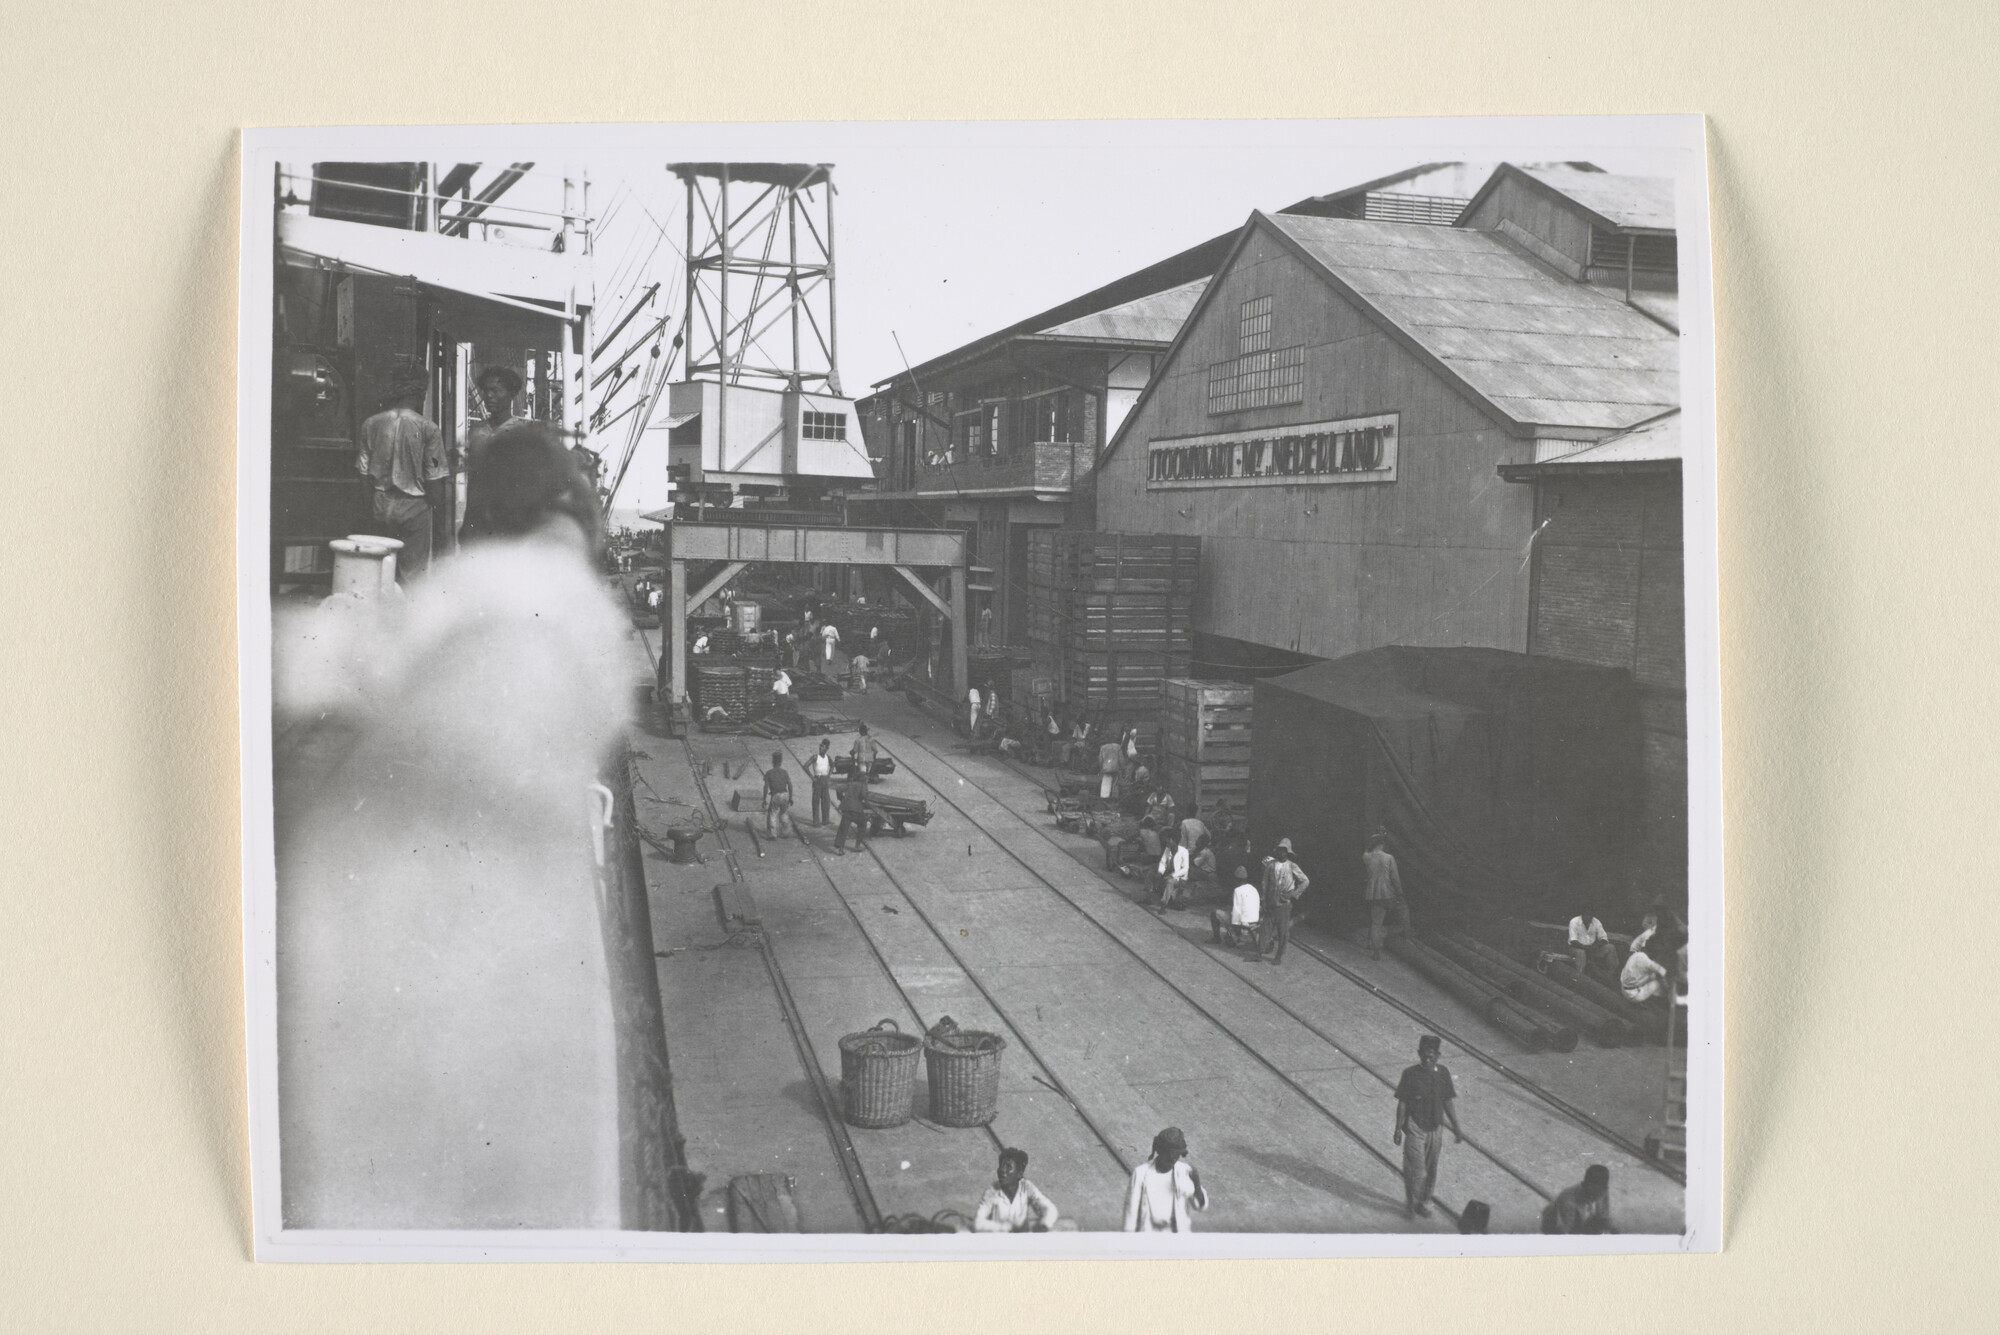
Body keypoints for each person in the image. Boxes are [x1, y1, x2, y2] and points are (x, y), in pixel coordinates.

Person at [354, 376, 448, 579]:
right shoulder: (428, 428)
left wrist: (368, 507)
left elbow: (363, 472)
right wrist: (439, 519)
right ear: (419, 395)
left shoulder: (370, 424)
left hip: (380, 503)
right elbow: (434, 478)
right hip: (414, 507)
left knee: (379, 571)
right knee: (412, 574)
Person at [1393, 1035, 1462, 1219]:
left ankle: (1423, 1202)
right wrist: (1398, 1128)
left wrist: (1456, 1127)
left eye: (1431, 1056)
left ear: (1438, 1055)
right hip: (1415, 1127)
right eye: (1424, 1055)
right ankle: (1409, 1202)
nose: (1427, 1059)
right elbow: (1402, 1104)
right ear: (1419, 1054)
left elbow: (1447, 1101)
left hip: (1435, 1129)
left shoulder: (1443, 1074)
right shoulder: (1410, 1074)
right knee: (1415, 1169)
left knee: (1431, 1169)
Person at [458, 364, 523, 544]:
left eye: (496, 390)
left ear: (511, 393)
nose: (489, 396)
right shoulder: (477, 431)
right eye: (486, 391)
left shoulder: (521, 434)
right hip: (477, 518)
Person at [1122, 1128, 1207, 1232]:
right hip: (1149, 1235)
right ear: (1159, 1151)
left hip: (1178, 1237)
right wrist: (1128, 1239)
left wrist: (1196, 1183)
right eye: (1168, 1155)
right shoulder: (1140, 1173)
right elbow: (1131, 1210)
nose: (1172, 1159)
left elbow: (1199, 1206)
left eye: (1176, 1155)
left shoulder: (1185, 1171)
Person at [972, 1148, 1059, 1233]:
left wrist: (1044, 1224)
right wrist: (1008, 1227)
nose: (1002, 1170)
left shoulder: (1027, 1187)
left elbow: (1050, 1209)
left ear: (1019, 1174)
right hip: (999, 1242)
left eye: (1008, 1167)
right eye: (1001, 1165)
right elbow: (978, 1224)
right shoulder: (992, 1191)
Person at [1259, 839, 1311, 965]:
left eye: (1284, 851)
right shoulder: (1271, 865)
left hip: (1284, 903)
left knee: (1282, 931)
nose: (1281, 853)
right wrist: (1264, 900)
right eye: (1280, 850)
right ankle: (1259, 952)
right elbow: (1265, 883)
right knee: (1265, 927)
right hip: (1271, 901)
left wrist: (1294, 894)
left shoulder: (1292, 866)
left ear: (1287, 853)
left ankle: (1279, 956)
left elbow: (1305, 881)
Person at [1363, 831, 1410, 960]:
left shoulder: (1366, 857)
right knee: (1403, 913)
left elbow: (1367, 851)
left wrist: (1371, 843)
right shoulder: (1389, 858)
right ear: (1382, 844)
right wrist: (1399, 893)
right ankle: (1402, 936)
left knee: (1375, 921)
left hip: (1372, 893)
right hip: (1388, 893)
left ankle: (1373, 948)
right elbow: (1394, 878)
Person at [1541, 1165, 1616, 1234]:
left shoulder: (1603, 1192)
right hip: (1556, 1225)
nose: (1595, 1198)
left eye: (1599, 1193)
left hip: (1582, 1220)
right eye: (1592, 1194)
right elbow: (1563, 1232)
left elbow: (1604, 1218)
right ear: (1584, 1185)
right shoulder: (1568, 1201)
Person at [1209, 866, 1261, 949]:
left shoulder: (1237, 890)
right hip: (1255, 920)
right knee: (1229, 912)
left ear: (1236, 879)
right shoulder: (1253, 888)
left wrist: (1234, 929)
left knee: (1214, 913)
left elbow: (1237, 911)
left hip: (1243, 923)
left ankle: (1217, 938)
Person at [1569, 907, 1619, 984]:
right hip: (1576, 948)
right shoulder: (1574, 921)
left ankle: (1611, 976)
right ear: (1582, 914)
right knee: (1581, 953)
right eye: (1586, 914)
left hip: (1591, 949)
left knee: (1610, 947)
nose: (1588, 917)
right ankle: (1580, 979)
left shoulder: (1596, 922)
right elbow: (1573, 941)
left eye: (1590, 915)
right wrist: (1585, 947)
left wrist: (1596, 946)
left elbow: (1604, 939)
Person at [832, 769, 870, 854]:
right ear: (864, 779)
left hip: (846, 808)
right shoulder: (863, 785)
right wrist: (866, 801)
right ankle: (857, 845)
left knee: (844, 828)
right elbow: (864, 796)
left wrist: (841, 798)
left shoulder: (850, 784)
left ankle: (840, 849)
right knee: (862, 824)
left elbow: (838, 788)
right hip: (856, 809)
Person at [762, 750, 795, 837]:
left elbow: (765, 787)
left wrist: (764, 799)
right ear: (780, 762)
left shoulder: (769, 773)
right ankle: (786, 832)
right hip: (785, 794)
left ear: (773, 762)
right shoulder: (784, 772)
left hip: (775, 795)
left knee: (772, 814)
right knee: (783, 813)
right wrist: (791, 797)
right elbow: (790, 785)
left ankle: (772, 834)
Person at [1154, 832, 1190, 911]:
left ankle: (1164, 904)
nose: (1167, 841)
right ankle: (1151, 894)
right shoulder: (1167, 850)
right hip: (1169, 874)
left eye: (1169, 840)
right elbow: (1163, 862)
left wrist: (1172, 875)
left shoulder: (1184, 851)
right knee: (1153, 873)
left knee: (1170, 881)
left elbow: (1185, 869)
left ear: (1175, 841)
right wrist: (1160, 872)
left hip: (1180, 879)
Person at [807, 739, 834, 827]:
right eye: (820, 746)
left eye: (822, 746)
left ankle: (825, 820)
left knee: (826, 801)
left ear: (827, 748)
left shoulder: (828, 757)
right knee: (816, 801)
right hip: (817, 780)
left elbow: (832, 764)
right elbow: (805, 766)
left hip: (825, 780)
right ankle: (816, 821)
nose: (820, 748)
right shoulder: (815, 757)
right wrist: (812, 777)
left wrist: (829, 776)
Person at [1098, 736, 1123, 800]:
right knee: (1115, 784)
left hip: (1106, 768)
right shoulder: (1118, 747)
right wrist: (1122, 767)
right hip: (1115, 768)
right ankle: (1115, 799)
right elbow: (1121, 759)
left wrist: (1101, 768)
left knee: (1106, 783)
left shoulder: (1103, 747)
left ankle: (1104, 799)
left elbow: (1100, 759)